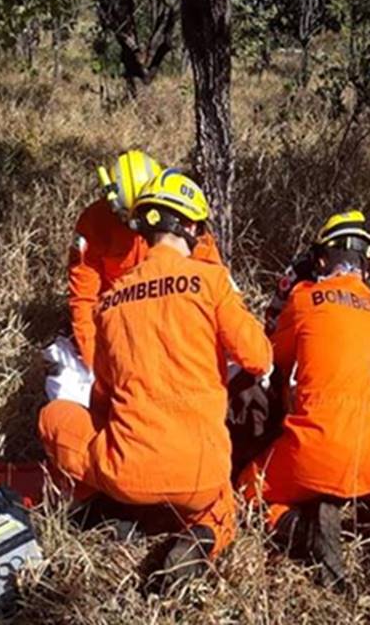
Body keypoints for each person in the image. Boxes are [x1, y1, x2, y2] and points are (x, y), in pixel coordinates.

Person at [39, 170, 272, 582]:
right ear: (191, 227)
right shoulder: (211, 280)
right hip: (200, 474)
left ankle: (97, 504)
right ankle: (204, 535)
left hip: (124, 474)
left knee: (53, 417)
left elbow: (102, 395)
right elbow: (257, 357)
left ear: (145, 228)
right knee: (221, 502)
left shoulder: (110, 302)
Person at [239, 211, 370, 588]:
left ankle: (303, 529)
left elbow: (272, 359)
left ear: (320, 261)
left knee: (247, 488)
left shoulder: (303, 298)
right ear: (365, 263)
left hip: (317, 453)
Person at [68, 150, 223, 369]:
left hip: (175, 315)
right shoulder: (94, 224)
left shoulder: (182, 214)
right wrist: (96, 365)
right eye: (128, 217)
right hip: (119, 322)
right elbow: (83, 299)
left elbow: (214, 279)